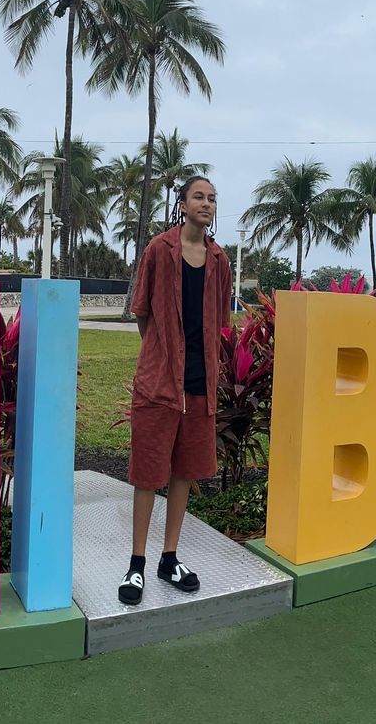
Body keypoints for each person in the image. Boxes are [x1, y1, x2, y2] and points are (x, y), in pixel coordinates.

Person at [120, 176, 231, 605]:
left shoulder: (220, 260)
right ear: (182, 204)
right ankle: (136, 565)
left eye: (213, 199)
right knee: (148, 474)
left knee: (184, 472)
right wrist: (162, 358)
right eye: (199, 197)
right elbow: (143, 314)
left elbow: (218, 321)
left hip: (201, 386)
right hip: (158, 386)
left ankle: (170, 558)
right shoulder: (158, 250)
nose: (207, 204)